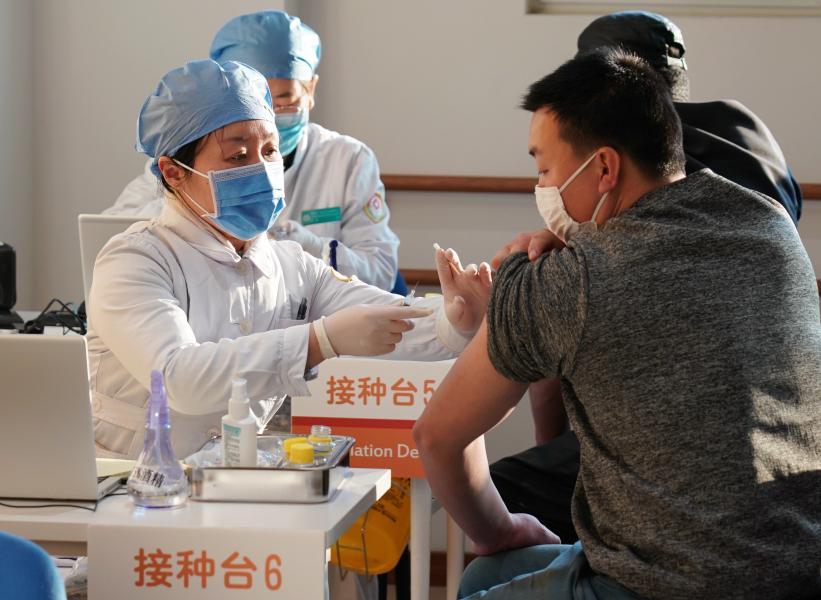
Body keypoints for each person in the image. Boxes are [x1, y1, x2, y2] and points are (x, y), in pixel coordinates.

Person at [414, 49, 821, 599]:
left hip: (669, 585)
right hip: (799, 565)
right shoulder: (769, 225)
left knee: (490, 563)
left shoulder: (570, 279)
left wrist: (504, 530)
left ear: (603, 168)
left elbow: (438, 437)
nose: (541, 190)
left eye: (544, 169)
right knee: (491, 576)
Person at [489, 9, 805, 544]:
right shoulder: (747, 143)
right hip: (787, 446)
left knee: (508, 495)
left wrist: (555, 264)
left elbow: (445, 436)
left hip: (673, 451)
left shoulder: (635, 181)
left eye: (545, 167)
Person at [87, 59, 491, 460]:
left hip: (222, 480)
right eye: (238, 157)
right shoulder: (136, 259)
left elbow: (387, 316)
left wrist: (453, 318)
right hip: (125, 483)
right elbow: (179, 379)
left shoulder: (290, 265)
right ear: (173, 172)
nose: (262, 170)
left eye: (269, 150)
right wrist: (319, 341)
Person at [105, 10, 404, 293]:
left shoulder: (346, 160)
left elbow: (379, 273)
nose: (268, 120)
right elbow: (112, 240)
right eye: (237, 155)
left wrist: (303, 245)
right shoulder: (181, 168)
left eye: (283, 101)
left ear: (311, 90)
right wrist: (202, 219)